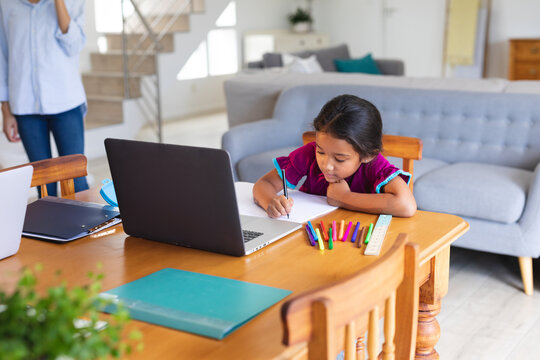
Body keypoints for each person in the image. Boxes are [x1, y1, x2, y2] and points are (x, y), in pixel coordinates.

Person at [253, 94, 417, 218]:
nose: (326, 165)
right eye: (321, 151)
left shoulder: (374, 165)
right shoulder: (308, 154)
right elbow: (265, 183)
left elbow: (406, 206)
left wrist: (344, 197)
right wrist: (270, 202)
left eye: (339, 158)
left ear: (368, 154)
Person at [0, 0, 88, 196]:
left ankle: (84, 227)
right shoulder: (6, 4)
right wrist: (5, 111)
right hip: (25, 107)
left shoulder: (74, 3)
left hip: (67, 103)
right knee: (43, 184)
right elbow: (2, 57)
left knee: (76, 180)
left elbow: (74, 46)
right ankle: (51, 227)